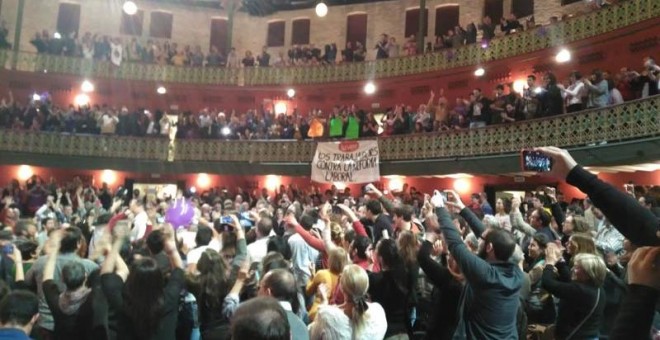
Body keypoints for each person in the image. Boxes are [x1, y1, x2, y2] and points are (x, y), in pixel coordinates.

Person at [435, 189, 523, 339]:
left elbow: (455, 244)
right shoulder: (516, 272)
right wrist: (462, 209)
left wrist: (440, 209)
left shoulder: (485, 274)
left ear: (489, 248)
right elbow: (487, 237)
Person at [100, 224, 184, 340]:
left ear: (132, 278)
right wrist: (172, 250)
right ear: (159, 279)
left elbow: (106, 275)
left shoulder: (122, 301)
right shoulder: (168, 298)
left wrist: (115, 245)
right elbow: (179, 270)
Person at [25, 227, 98, 338]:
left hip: (44, 324)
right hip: (78, 325)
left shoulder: (40, 262)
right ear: (78, 243)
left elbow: (27, 282)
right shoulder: (89, 266)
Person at [542, 244, 606, 339]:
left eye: (577, 267)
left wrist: (549, 263)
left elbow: (547, 283)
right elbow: (569, 279)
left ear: (588, 273)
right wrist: (560, 260)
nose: (572, 269)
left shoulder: (582, 291)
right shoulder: (596, 288)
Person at [309, 265, 387, 340]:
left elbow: (310, 335)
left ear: (341, 287)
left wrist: (323, 302)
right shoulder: (378, 311)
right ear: (366, 287)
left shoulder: (327, 316)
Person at [258, 269, 309, 340]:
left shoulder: (260, 324)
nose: (257, 293)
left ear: (267, 292)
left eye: (259, 287)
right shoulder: (303, 327)